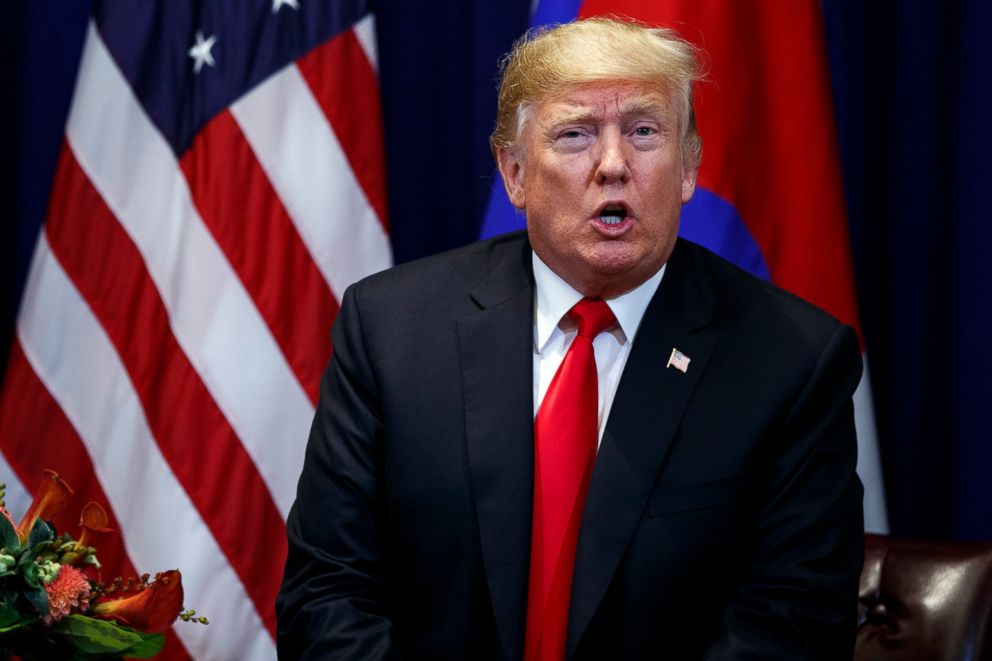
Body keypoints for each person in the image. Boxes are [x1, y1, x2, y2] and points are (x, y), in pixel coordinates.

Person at [276, 17, 864, 660]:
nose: (613, 165)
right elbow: (327, 596)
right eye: (575, 135)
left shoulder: (793, 359)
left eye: (643, 132)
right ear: (515, 173)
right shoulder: (389, 329)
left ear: (689, 166)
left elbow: (792, 627)